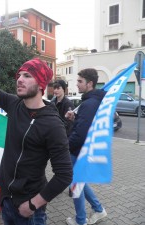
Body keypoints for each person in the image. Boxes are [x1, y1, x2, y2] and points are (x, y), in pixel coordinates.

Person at [0, 47, 73, 225]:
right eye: (19, 75)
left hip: (29, 210)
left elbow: (64, 175)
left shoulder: (52, 124)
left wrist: (33, 205)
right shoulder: (14, 104)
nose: (20, 79)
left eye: (27, 76)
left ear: (41, 84)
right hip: (7, 200)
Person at [65, 69, 108, 225]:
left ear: (89, 83)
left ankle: (81, 220)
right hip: (84, 149)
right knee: (80, 181)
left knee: (75, 184)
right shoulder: (92, 101)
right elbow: (85, 125)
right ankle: (98, 209)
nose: (76, 84)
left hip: (78, 150)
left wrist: (66, 147)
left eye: (80, 81)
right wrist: (74, 118)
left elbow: (81, 133)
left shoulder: (89, 103)